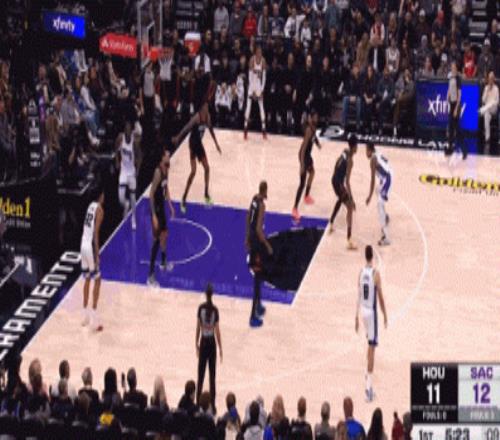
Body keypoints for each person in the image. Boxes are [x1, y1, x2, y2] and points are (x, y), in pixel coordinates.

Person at [173, 102, 222, 213]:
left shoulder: (207, 117)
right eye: (205, 107)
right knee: (193, 172)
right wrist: (178, 137)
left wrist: (216, 144)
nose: (207, 109)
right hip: (192, 144)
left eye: (207, 107)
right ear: (201, 108)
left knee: (207, 168)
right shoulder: (196, 117)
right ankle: (184, 198)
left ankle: (206, 194)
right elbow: (186, 128)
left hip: (199, 144)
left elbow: (211, 130)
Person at [355, 245, 388, 402]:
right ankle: (368, 389)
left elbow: (358, 295)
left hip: (362, 311)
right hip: (371, 313)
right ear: (372, 257)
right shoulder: (375, 274)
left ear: (364, 256)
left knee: (369, 343)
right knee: (372, 348)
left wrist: (356, 317)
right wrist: (385, 313)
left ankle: (366, 373)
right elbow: (380, 297)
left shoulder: (361, 273)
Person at [245, 181, 273, 328]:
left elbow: (248, 218)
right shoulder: (261, 205)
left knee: (259, 275)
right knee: (257, 279)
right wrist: (267, 245)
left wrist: (246, 237)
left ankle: (258, 306)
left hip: (252, 240)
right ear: (265, 190)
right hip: (256, 244)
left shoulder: (254, 199)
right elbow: (258, 229)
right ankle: (252, 317)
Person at [148, 150, 175, 287]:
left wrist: (170, 205)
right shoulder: (158, 172)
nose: (169, 156)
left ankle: (163, 262)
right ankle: (150, 275)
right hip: (156, 210)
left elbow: (166, 188)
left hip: (162, 207)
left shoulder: (166, 170)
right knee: (157, 240)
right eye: (167, 155)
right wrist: (153, 215)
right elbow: (151, 194)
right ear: (162, 157)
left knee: (165, 234)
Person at [196, 283, 223, 413]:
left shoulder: (200, 308)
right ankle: (212, 405)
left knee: (200, 375)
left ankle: (197, 403)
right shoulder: (215, 310)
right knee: (212, 376)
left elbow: (198, 327)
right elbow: (217, 330)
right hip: (212, 343)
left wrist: (196, 343)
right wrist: (220, 347)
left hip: (203, 342)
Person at [80, 188, 104, 332]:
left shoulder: (90, 206)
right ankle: (94, 320)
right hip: (89, 246)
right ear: (100, 196)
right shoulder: (100, 210)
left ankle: (85, 316)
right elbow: (96, 233)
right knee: (98, 280)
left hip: (82, 244)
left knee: (87, 279)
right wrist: (97, 253)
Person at [292, 110, 322, 222]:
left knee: (312, 173)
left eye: (317, 117)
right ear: (310, 118)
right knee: (302, 183)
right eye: (315, 117)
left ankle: (306, 196)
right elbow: (304, 148)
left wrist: (318, 144)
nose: (317, 119)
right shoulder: (309, 130)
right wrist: (302, 165)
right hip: (303, 156)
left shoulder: (313, 128)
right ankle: (295, 208)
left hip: (308, 155)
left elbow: (314, 138)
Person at [329, 136, 358, 250]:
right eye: (357, 146)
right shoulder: (350, 161)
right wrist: (352, 198)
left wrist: (337, 176)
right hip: (339, 183)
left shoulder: (344, 151)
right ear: (354, 146)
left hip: (334, 179)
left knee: (341, 199)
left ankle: (331, 222)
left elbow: (337, 163)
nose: (357, 148)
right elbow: (347, 182)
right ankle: (349, 239)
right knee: (350, 206)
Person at [365, 143, 392, 246]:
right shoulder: (377, 152)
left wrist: (369, 196)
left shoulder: (372, 160)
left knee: (379, 205)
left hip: (387, 179)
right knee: (378, 190)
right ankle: (385, 216)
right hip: (386, 176)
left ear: (370, 150)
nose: (365, 153)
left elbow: (372, 180)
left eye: (366, 151)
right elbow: (386, 163)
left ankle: (386, 238)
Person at [116, 121, 140, 230]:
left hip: (131, 172)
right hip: (123, 171)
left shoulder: (134, 142)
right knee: (121, 198)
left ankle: (133, 218)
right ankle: (126, 204)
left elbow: (139, 156)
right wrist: (117, 161)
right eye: (126, 129)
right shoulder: (120, 138)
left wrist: (137, 170)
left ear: (131, 131)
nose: (128, 131)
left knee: (133, 197)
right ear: (124, 130)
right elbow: (116, 149)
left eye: (129, 129)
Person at [244, 46, 267, 140]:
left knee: (261, 107)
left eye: (260, 52)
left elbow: (264, 78)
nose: (259, 54)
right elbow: (250, 77)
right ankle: (245, 129)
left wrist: (262, 90)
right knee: (248, 107)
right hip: (252, 86)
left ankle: (264, 130)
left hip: (258, 86)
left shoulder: (263, 61)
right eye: (258, 52)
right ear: (255, 52)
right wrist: (252, 91)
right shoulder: (251, 60)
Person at [446, 61, 463, 158]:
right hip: (452, 103)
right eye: (451, 66)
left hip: (457, 104)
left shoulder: (458, 78)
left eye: (453, 67)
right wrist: (447, 96)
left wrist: (456, 108)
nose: (452, 68)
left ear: (456, 68)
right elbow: (449, 88)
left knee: (456, 127)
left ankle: (462, 148)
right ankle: (450, 147)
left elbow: (459, 94)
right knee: (451, 126)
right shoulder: (451, 77)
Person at [479, 71, 499, 155]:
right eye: (489, 78)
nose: (491, 80)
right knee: (486, 115)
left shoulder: (496, 88)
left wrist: (490, 104)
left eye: (492, 78)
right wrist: (487, 91)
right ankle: (487, 138)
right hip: (487, 109)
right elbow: (483, 100)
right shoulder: (486, 88)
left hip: (493, 108)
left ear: (494, 79)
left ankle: (482, 110)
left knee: (487, 108)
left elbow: (497, 101)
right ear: (488, 79)